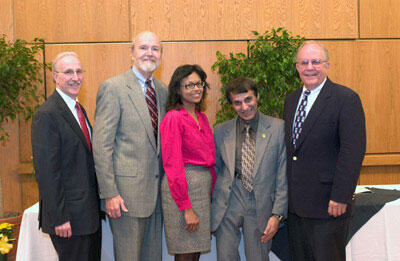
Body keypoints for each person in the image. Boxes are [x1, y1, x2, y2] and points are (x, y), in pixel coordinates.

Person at [283, 41, 366, 261]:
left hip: (329, 206)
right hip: (296, 208)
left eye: (316, 62)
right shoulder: (291, 100)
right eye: (304, 62)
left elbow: (352, 151)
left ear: (327, 66)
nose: (310, 67)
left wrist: (341, 196)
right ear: (297, 68)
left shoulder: (345, 99)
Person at [92, 31, 167, 261]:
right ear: (131, 52)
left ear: (161, 55)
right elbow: (102, 145)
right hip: (125, 198)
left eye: (155, 49)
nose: (149, 53)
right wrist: (110, 193)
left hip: (156, 197)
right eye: (143, 47)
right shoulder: (113, 88)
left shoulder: (162, 91)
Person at [31, 52, 101, 261]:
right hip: (68, 220)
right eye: (68, 72)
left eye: (79, 71)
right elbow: (47, 173)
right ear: (55, 76)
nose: (75, 77)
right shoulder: (47, 114)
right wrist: (60, 218)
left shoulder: (78, 109)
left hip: (87, 216)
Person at [211, 77, 288, 261]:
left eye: (248, 100)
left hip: (260, 203)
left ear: (257, 97)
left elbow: (282, 175)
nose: (244, 107)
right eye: (237, 103)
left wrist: (277, 214)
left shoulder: (278, 128)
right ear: (232, 105)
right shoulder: (221, 131)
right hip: (229, 200)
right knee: (225, 257)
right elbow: (216, 170)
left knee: (258, 257)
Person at [160, 64, 216, 261]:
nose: (196, 89)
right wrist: (186, 208)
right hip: (182, 191)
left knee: (195, 252)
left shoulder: (202, 117)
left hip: (201, 189)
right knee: (185, 253)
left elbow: (210, 160)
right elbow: (172, 164)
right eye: (189, 85)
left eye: (199, 83)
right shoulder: (173, 117)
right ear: (178, 89)